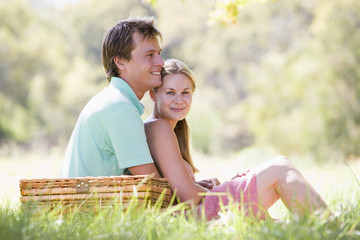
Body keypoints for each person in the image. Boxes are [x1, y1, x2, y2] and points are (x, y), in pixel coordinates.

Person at [144, 58, 328, 220]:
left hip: (198, 210)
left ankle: (325, 224)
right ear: (153, 95)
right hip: (197, 215)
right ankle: (332, 225)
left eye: (185, 92)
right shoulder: (159, 127)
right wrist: (209, 188)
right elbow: (190, 197)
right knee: (280, 168)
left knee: (279, 174)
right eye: (170, 92)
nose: (179, 100)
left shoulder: (165, 128)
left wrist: (195, 184)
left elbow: (175, 189)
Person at [60, 16, 163, 178]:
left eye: (159, 53)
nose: (161, 62)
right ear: (120, 62)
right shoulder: (120, 108)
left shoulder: (112, 99)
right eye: (150, 55)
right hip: (86, 203)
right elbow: (154, 185)